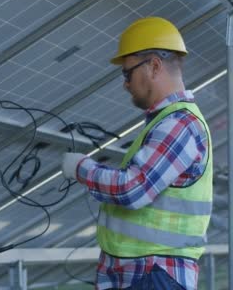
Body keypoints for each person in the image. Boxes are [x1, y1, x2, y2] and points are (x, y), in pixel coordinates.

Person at [61, 17, 213, 290]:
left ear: (154, 66)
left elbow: (133, 187)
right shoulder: (163, 123)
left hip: (154, 274)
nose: (125, 84)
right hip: (144, 273)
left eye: (127, 73)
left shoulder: (179, 124)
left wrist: (81, 168)